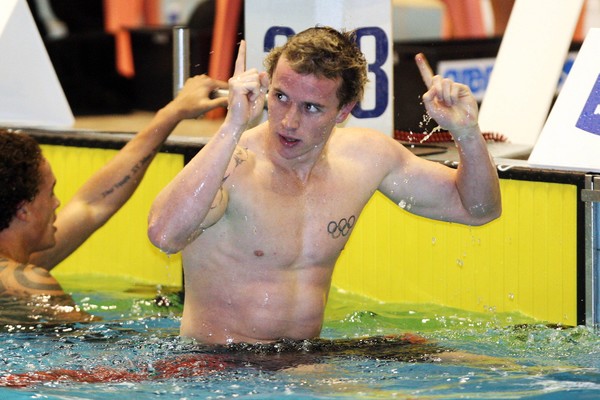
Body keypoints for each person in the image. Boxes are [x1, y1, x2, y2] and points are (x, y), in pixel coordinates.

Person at [148, 27, 502, 345]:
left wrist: (467, 132)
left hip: (306, 359)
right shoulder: (236, 164)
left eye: (312, 108)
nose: (289, 121)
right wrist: (232, 126)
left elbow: (479, 210)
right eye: (281, 97)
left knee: (487, 368)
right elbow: (164, 235)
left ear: (344, 110)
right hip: (220, 365)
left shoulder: (365, 158)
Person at [0, 74, 228, 323]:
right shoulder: (27, 284)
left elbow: (92, 203)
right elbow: (95, 348)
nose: (57, 203)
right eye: (51, 192)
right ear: (23, 210)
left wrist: (173, 113)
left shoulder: (19, 270)